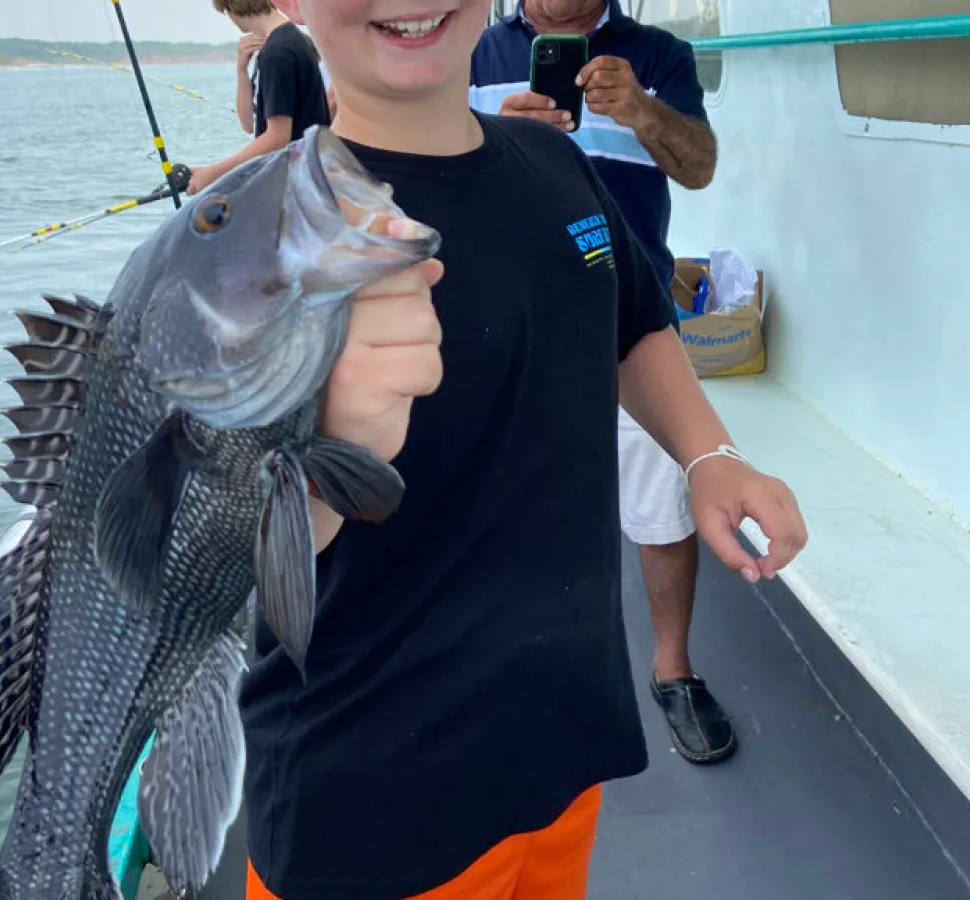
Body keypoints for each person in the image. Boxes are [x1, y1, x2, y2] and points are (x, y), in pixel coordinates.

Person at [214, 0, 808, 898]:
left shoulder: (554, 161)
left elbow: (633, 319)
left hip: (561, 734)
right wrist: (333, 449)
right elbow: (220, 544)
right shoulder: (250, 237)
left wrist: (709, 455)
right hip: (373, 793)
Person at [469, 0, 736, 765]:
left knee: (662, 506)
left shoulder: (659, 55)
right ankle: (520, 660)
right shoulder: (473, 51)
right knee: (509, 502)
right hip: (510, 318)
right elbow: (424, 175)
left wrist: (642, 109)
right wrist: (491, 138)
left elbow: (699, 167)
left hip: (633, 318)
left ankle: (673, 669)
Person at [185, 0, 330, 195]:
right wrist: (241, 70)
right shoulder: (287, 41)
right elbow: (248, 124)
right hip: (308, 176)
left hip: (296, 184)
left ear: (232, 7)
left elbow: (277, 138)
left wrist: (212, 173)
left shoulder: (277, 53)